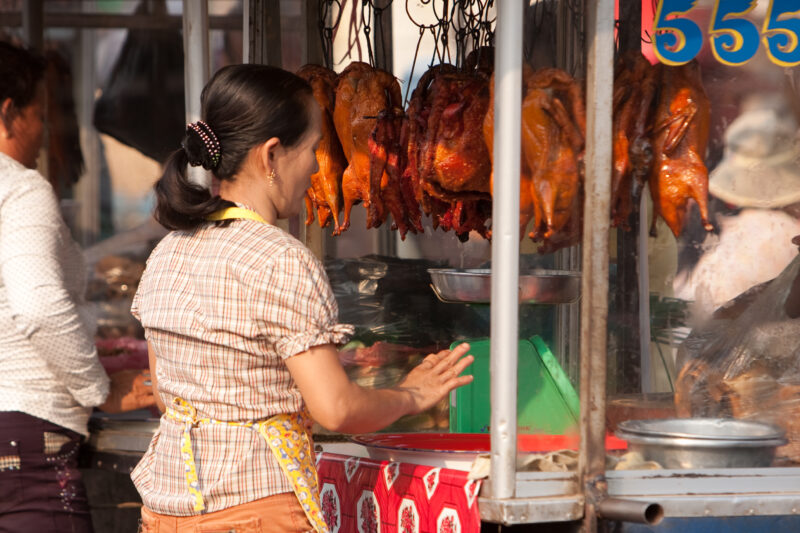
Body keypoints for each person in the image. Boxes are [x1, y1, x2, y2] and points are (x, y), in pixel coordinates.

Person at [131, 64, 474, 533]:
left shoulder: (167, 251)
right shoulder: (281, 259)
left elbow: (167, 393)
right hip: (252, 511)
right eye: (312, 148)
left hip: (165, 508)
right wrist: (411, 394)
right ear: (272, 155)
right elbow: (335, 409)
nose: (316, 165)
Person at [0, 40, 154, 532]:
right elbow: (39, 307)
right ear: (8, 114)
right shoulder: (20, 190)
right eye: (39, 115)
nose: (46, 133)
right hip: (23, 440)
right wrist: (96, 389)